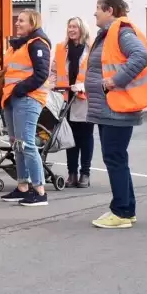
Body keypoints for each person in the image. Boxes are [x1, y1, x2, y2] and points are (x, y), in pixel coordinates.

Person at [85, 0, 147, 229]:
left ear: (110, 10)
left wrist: (115, 81)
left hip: (116, 107)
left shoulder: (121, 31)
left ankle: (121, 211)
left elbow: (140, 56)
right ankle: (126, 208)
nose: (95, 13)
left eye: (98, 8)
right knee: (116, 158)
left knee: (114, 158)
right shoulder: (110, 34)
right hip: (110, 107)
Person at [0, 9, 52, 207]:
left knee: (26, 144)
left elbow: (41, 74)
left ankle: (39, 191)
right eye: (17, 20)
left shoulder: (37, 44)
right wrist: (0, 100)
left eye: (21, 20)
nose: (17, 23)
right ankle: (22, 187)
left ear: (32, 23)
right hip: (13, 99)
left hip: (28, 99)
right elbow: (9, 77)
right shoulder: (17, 47)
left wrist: (19, 91)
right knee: (17, 144)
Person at [53, 17, 92, 188]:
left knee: (85, 138)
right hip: (66, 99)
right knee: (70, 138)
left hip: (84, 100)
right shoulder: (62, 49)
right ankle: (72, 173)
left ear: (82, 29)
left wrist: (85, 85)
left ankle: (85, 173)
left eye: (75, 27)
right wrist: (52, 85)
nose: (71, 30)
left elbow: (97, 72)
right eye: (69, 27)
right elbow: (53, 71)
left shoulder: (91, 49)